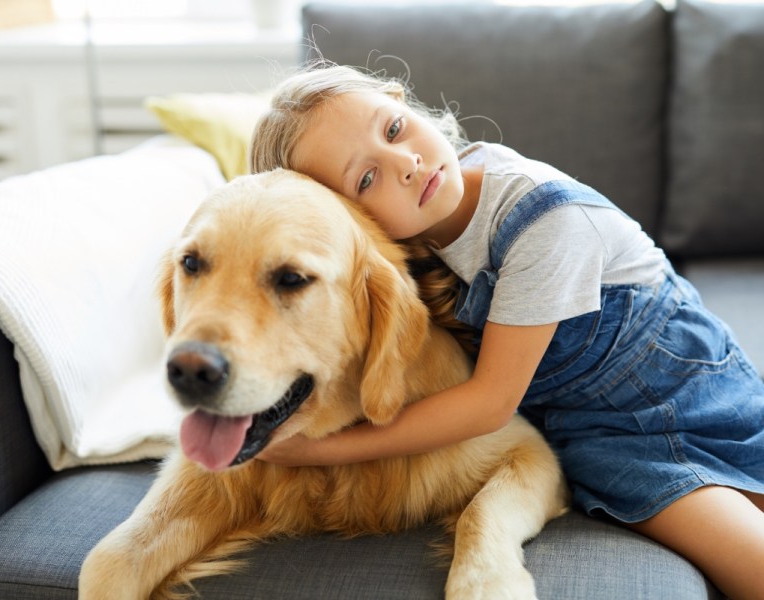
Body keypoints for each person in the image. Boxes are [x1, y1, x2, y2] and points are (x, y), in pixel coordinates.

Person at [249, 63, 764, 599]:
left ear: (400, 100)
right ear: (348, 217)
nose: (405, 163)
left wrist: (316, 450)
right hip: (592, 436)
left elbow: (489, 404)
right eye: (366, 178)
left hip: (682, 392)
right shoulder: (395, 256)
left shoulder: (544, 220)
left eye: (394, 129)